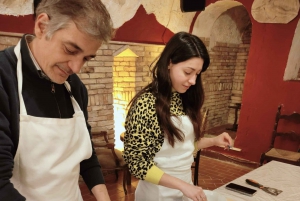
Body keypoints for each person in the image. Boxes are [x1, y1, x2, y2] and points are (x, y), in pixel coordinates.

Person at [0, 0, 113, 200]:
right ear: (42, 26)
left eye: (87, 58)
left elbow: (87, 157)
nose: (76, 68)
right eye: (70, 50)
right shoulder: (4, 78)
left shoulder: (74, 87)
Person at [123, 32, 234, 201]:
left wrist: (213, 141)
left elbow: (183, 146)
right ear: (169, 62)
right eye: (188, 72)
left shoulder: (184, 98)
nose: (193, 81)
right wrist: (183, 186)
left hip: (184, 188)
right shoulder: (146, 104)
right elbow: (137, 164)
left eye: (197, 74)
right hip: (158, 193)